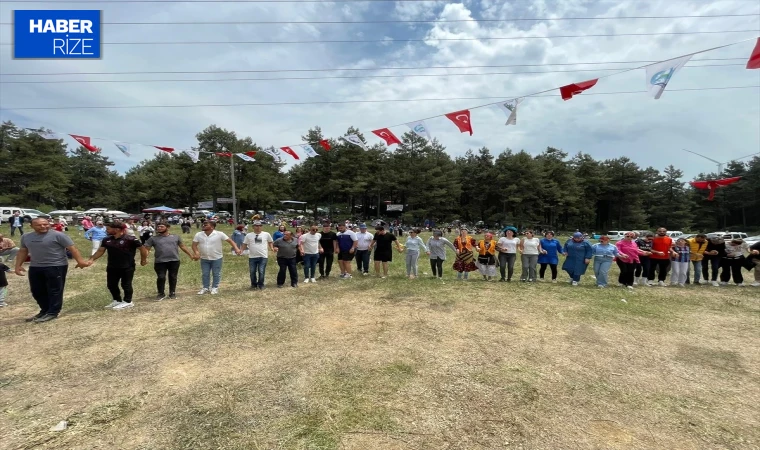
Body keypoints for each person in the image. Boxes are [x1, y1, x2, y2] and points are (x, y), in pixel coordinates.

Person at [14, 218, 90, 323]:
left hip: (56, 266)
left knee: (54, 290)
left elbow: (72, 249)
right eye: (39, 225)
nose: (43, 226)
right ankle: (44, 310)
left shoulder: (58, 235)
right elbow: (23, 251)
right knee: (36, 291)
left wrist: (80, 261)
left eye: (45, 224)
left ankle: (52, 312)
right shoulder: (26, 237)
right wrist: (18, 265)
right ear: (31, 226)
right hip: (35, 266)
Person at [88, 222, 149, 310]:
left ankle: (128, 301)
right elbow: (100, 251)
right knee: (111, 285)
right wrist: (92, 259)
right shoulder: (106, 239)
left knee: (126, 285)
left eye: (108, 228)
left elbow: (143, 250)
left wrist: (143, 260)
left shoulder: (131, 239)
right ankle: (117, 300)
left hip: (127, 266)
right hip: (112, 266)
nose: (106, 230)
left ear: (117, 229)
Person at [144, 222, 196, 301]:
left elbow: (182, 246)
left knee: (173, 277)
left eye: (161, 226)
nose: (159, 228)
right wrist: (144, 259)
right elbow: (146, 249)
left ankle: (172, 293)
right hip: (160, 261)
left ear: (167, 228)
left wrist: (190, 255)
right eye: (158, 227)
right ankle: (161, 293)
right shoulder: (153, 238)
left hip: (174, 260)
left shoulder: (175, 237)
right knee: (161, 277)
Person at [192, 221, 241, 295]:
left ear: (212, 227)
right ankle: (205, 288)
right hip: (204, 258)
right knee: (205, 273)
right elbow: (194, 245)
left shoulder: (219, 234)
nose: (203, 225)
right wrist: (197, 252)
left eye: (206, 225)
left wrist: (236, 248)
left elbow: (230, 241)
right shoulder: (198, 234)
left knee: (216, 273)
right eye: (203, 225)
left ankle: (215, 288)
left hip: (216, 258)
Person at [241, 220, 274, 290]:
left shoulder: (266, 234)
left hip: (263, 256)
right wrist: (241, 251)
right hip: (252, 256)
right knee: (252, 271)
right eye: (256, 226)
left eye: (260, 226)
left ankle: (261, 284)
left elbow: (270, 242)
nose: (258, 227)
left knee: (261, 271)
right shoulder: (249, 235)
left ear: (262, 227)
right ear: (253, 227)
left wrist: (272, 248)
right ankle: (253, 284)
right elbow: (245, 244)